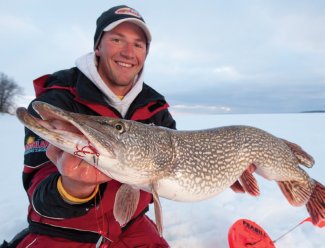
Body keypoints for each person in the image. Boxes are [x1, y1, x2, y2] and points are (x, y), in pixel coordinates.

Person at [4, 5, 175, 248]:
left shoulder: (156, 108)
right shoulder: (57, 99)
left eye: (138, 44)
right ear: (98, 46)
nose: (128, 52)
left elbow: (172, 167)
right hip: (64, 230)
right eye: (117, 39)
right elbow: (38, 191)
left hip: (129, 225)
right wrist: (73, 187)